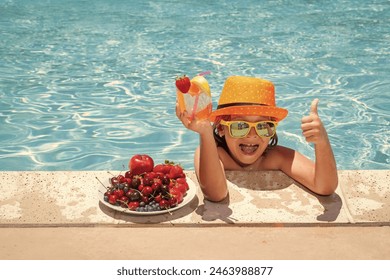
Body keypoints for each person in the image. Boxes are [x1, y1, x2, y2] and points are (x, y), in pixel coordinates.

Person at [176, 76, 338, 202]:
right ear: (221, 128)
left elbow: (324, 186)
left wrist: (322, 141)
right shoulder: (214, 155)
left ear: (272, 129)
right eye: (240, 126)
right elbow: (216, 194)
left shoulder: (276, 157)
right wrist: (205, 133)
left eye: (262, 126)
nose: (252, 135)